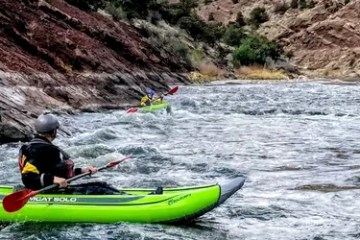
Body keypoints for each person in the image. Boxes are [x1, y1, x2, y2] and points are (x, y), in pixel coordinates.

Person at [18, 113, 119, 194]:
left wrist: (83, 170)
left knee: (102, 185)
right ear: (53, 131)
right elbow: (28, 178)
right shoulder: (40, 150)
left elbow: (57, 172)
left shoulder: (39, 146)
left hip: (54, 189)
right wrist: (54, 179)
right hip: (47, 192)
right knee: (100, 190)